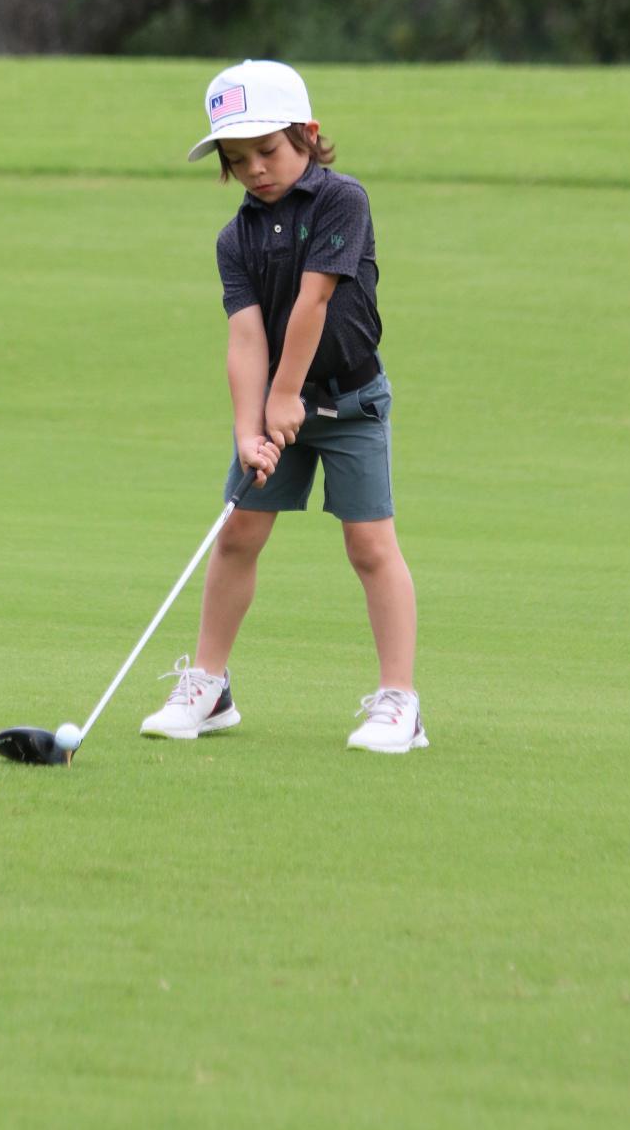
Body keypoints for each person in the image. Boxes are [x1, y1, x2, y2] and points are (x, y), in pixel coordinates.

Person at [140, 59, 427, 754]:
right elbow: (245, 336)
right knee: (237, 534)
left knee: (368, 545)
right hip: (277, 406)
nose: (256, 169)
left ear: (308, 134)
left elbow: (314, 300)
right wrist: (250, 428)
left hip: (350, 405)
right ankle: (209, 689)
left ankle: (400, 703)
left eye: (268, 150)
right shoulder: (233, 239)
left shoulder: (341, 201)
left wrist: (286, 397)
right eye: (238, 160)